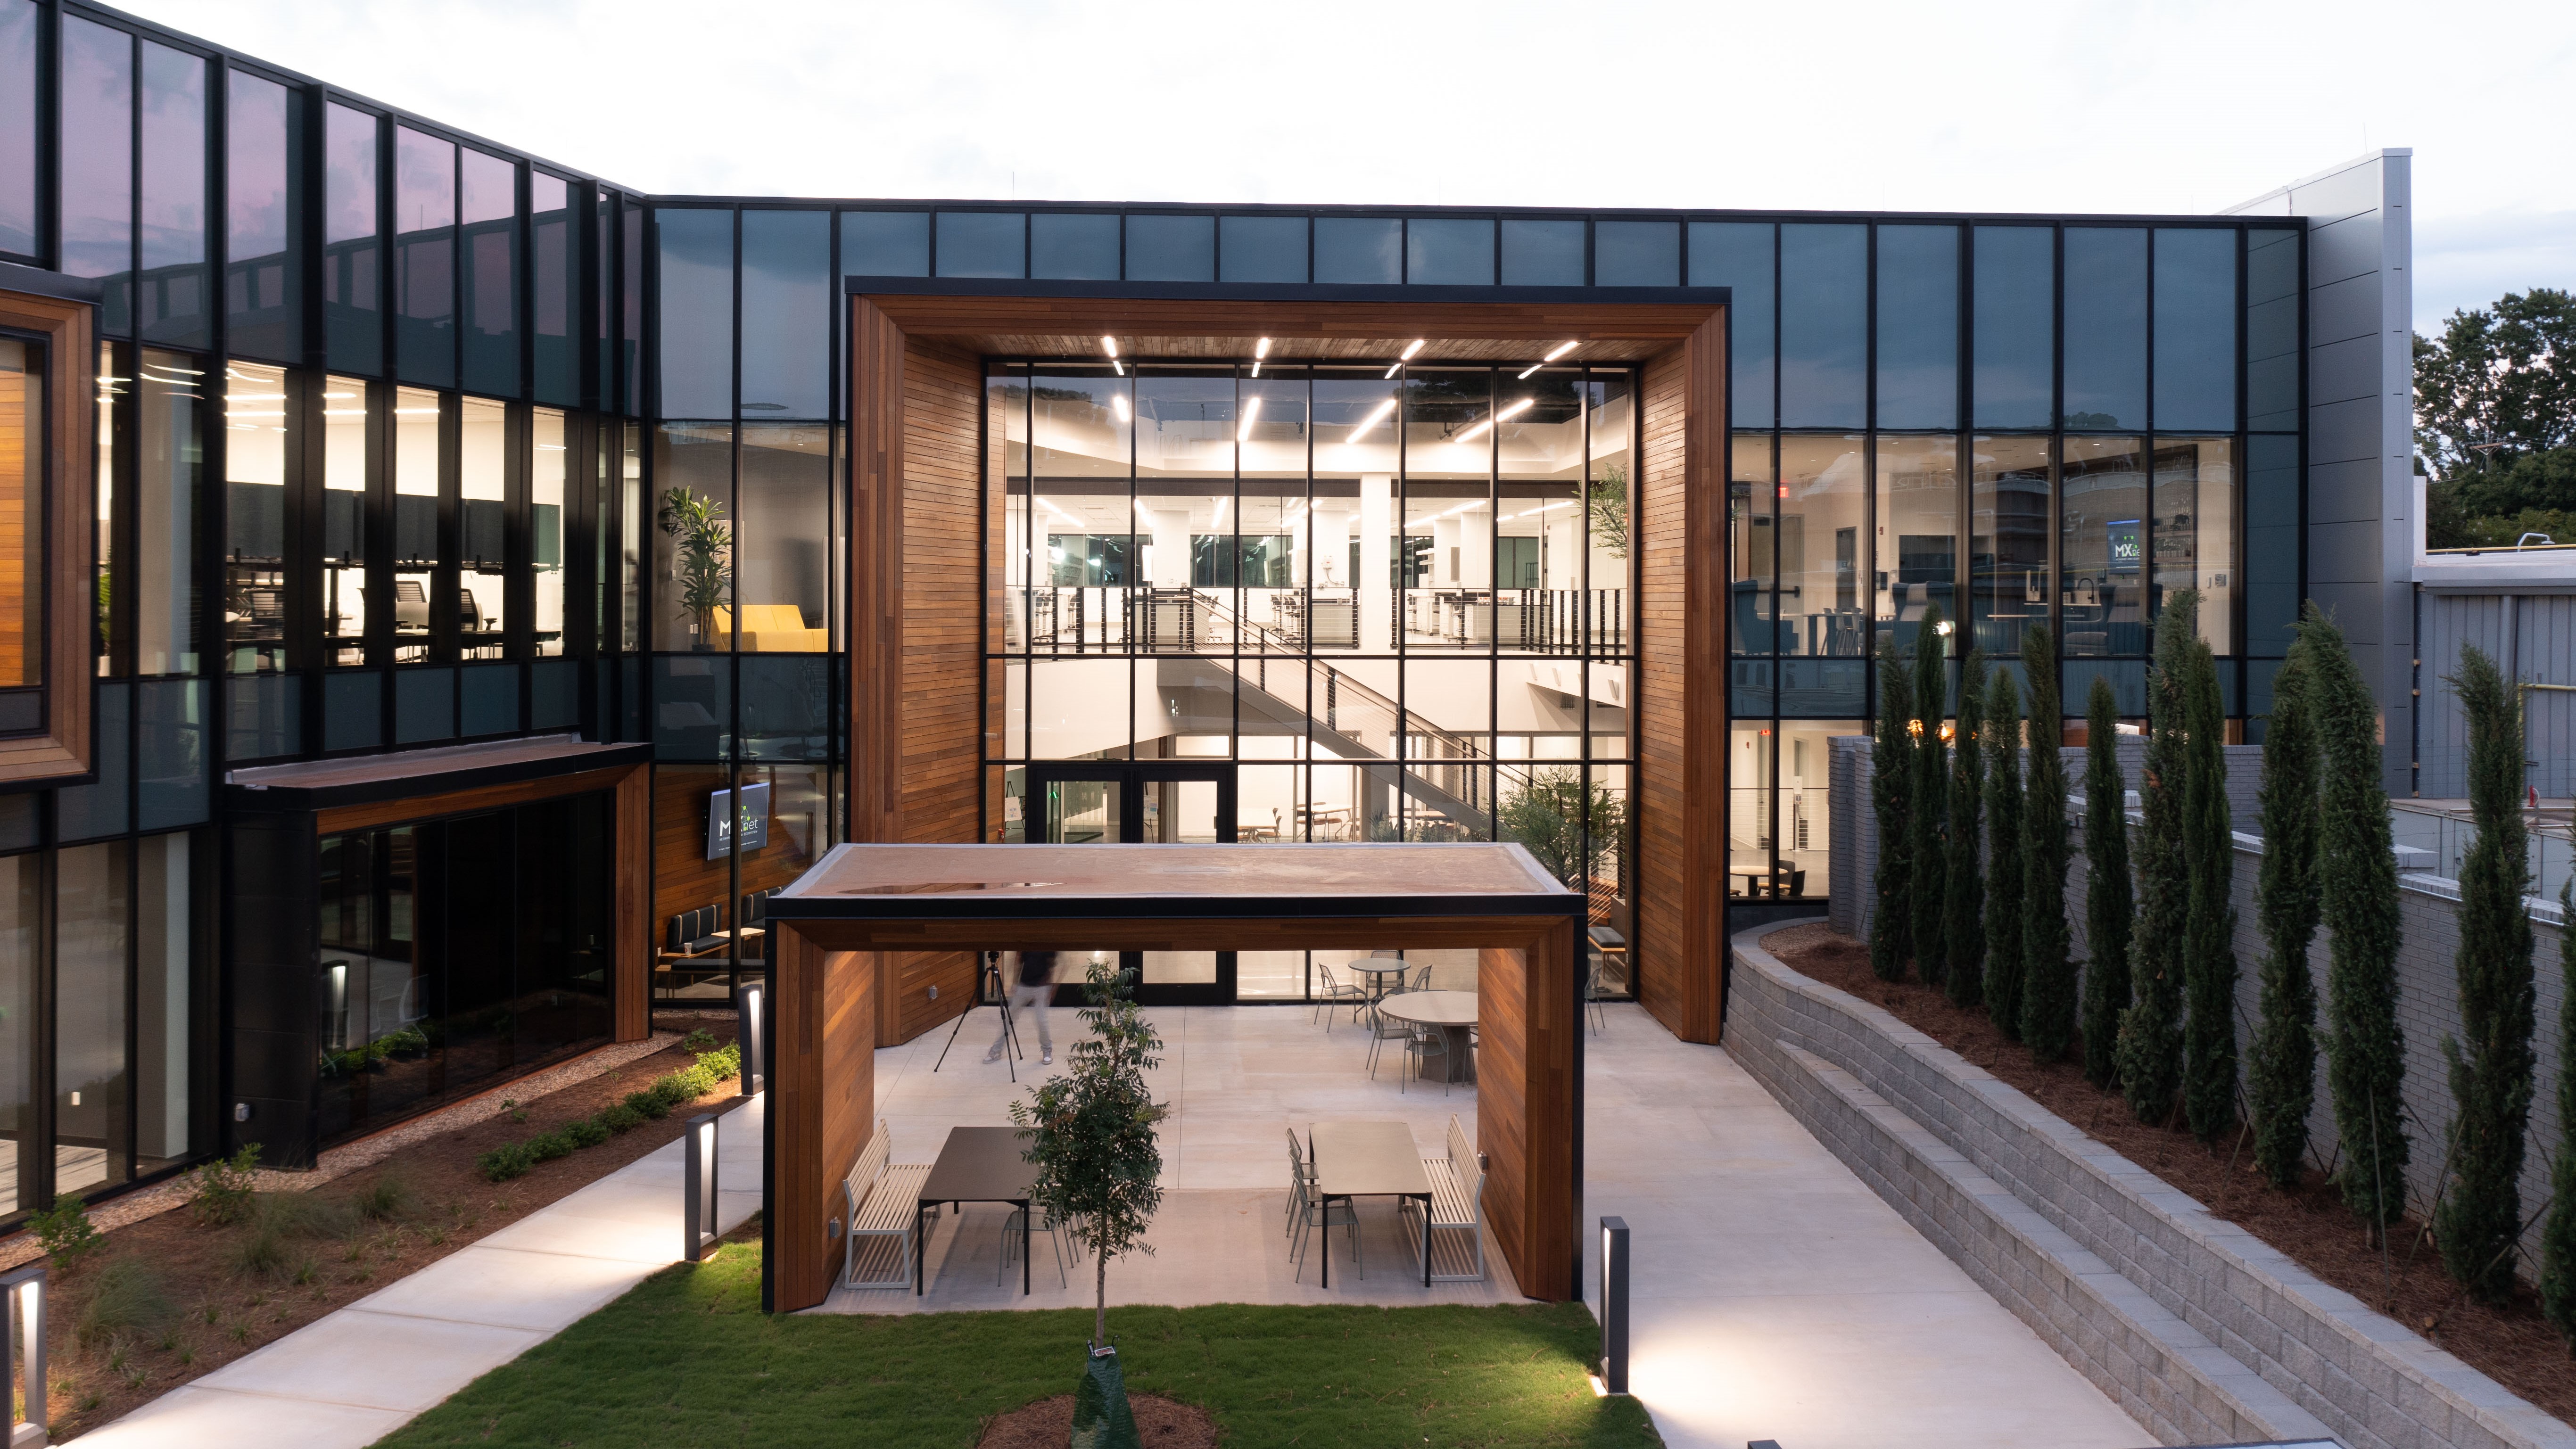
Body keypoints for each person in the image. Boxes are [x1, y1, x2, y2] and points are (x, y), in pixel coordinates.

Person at [985, 948, 1057, 1066]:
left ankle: (1047, 1050)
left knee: (1041, 1021)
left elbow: (1051, 966)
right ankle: (996, 1050)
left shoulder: (1047, 943)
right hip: (1024, 985)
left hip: (1041, 987)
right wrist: (1015, 982)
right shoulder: (1026, 941)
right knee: (1009, 1018)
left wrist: (1051, 987)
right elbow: (1018, 959)